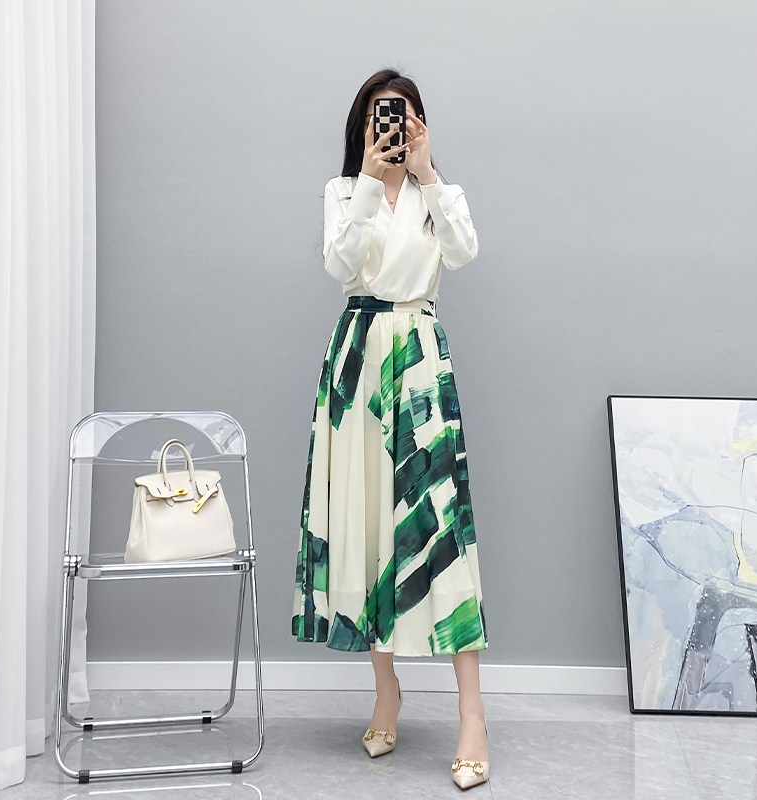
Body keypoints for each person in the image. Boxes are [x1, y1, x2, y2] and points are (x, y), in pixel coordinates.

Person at [291, 68, 490, 790]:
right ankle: (386, 692)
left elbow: (464, 252)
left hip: (419, 359)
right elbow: (341, 265)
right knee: (371, 524)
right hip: (358, 363)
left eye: (403, 115)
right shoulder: (344, 192)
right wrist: (372, 185)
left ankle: (473, 715)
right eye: (382, 115)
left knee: (440, 528)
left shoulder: (440, 194)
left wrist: (428, 173)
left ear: (419, 123)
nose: (393, 126)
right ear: (364, 125)